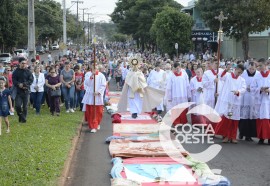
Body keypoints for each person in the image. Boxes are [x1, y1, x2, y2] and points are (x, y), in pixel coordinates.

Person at [215, 64, 246, 143]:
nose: (239, 74)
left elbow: (243, 88)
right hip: (228, 101)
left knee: (234, 120)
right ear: (235, 69)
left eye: (241, 73)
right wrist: (225, 70)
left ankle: (233, 137)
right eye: (238, 72)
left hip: (235, 102)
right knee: (227, 119)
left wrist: (238, 91)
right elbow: (220, 76)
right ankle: (225, 136)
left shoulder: (242, 80)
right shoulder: (228, 76)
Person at [82, 65, 106, 133]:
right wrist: (92, 76)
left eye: (96, 68)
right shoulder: (88, 74)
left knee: (99, 111)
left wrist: (98, 92)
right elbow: (87, 84)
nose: (95, 69)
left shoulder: (101, 75)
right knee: (91, 112)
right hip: (90, 95)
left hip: (98, 95)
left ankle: (97, 123)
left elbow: (103, 85)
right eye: (93, 68)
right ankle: (92, 126)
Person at [251, 58, 270, 145]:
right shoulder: (257, 76)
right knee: (260, 119)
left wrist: (268, 90)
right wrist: (260, 89)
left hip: (268, 100)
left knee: (268, 119)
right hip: (260, 100)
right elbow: (252, 88)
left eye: (261, 66)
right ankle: (261, 137)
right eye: (258, 66)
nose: (259, 68)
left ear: (266, 65)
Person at [239, 62, 259, 141]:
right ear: (247, 68)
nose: (251, 70)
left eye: (253, 69)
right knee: (244, 116)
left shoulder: (258, 74)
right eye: (250, 69)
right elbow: (239, 83)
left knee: (251, 116)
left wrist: (254, 89)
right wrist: (244, 88)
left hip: (253, 98)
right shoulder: (243, 73)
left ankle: (249, 135)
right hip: (244, 97)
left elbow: (258, 85)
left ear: (255, 68)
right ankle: (241, 132)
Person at [12, 58, 34, 123]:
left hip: (26, 91)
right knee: (18, 106)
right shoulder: (16, 71)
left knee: (25, 107)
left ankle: (23, 119)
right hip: (18, 91)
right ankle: (21, 116)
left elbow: (31, 80)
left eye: (25, 63)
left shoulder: (28, 71)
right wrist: (19, 84)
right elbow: (14, 80)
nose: (24, 64)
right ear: (19, 63)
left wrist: (24, 85)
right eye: (22, 63)